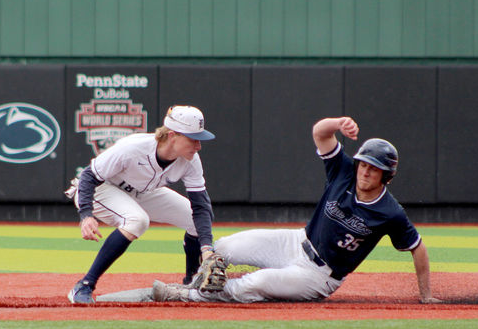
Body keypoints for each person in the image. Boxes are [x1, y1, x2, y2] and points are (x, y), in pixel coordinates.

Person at [152, 116, 441, 304]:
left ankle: (190, 297)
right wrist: (338, 123)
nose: (365, 171)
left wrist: (426, 295)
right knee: (226, 246)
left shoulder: (390, 212)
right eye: (363, 164)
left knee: (253, 285)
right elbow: (320, 133)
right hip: (295, 242)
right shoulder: (344, 173)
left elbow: (417, 247)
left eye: (373, 168)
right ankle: (194, 281)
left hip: (319, 276)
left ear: (386, 176)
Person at [66, 105, 218, 303]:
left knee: (195, 219)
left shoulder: (191, 160)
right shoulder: (133, 148)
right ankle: (84, 285)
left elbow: (200, 206)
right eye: (193, 139)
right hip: (102, 189)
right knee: (138, 220)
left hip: (142, 192)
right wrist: (86, 215)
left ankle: (190, 284)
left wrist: (206, 248)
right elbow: (89, 175)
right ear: (172, 135)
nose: (198, 146)